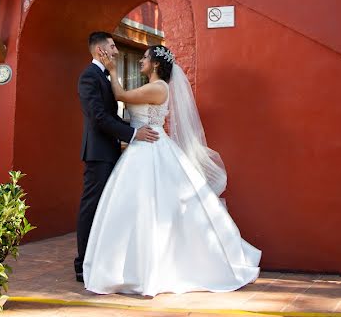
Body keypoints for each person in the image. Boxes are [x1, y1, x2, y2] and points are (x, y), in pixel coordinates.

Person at [83, 44, 261, 297]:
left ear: (156, 64)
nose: (140, 61)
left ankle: (155, 269)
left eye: (144, 58)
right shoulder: (153, 86)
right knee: (135, 208)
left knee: (155, 208)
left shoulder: (158, 87)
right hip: (142, 145)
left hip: (151, 148)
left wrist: (112, 69)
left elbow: (121, 95)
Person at [75, 32, 159, 284]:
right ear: (100, 50)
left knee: (107, 208)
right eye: (112, 46)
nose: (116, 51)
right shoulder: (88, 77)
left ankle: (101, 259)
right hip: (98, 153)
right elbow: (99, 117)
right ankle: (82, 264)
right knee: (91, 207)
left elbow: (112, 113)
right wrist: (133, 132)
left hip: (112, 151)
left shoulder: (105, 75)